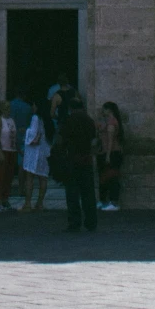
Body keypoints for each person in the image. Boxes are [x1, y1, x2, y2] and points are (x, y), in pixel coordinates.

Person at [55, 95, 98, 235]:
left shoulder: (69, 120)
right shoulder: (89, 121)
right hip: (86, 159)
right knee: (88, 193)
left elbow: (61, 140)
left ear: (70, 108)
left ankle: (74, 222)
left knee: (72, 193)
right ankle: (91, 222)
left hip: (72, 160)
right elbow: (93, 138)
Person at [96, 101, 125, 211]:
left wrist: (108, 155)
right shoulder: (108, 122)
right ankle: (104, 200)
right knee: (104, 177)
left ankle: (114, 202)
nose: (102, 111)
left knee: (112, 177)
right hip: (107, 152)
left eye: (104, 109)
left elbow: (110, 140)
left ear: (109, 110)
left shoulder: (112, 122)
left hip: (111, 153)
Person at [20, 105, 50, 212]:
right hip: (43, 151)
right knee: (43, 178)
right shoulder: (45, 119)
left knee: (29, 177)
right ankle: (40, 203)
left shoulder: (35, 118)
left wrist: (26, 131)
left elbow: (33, 134)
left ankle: (28, 204)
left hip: (34, 151)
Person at [0, 103, 17, 210]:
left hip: (11, 150)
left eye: (9, 108)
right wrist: (0, 151)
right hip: (2, 150)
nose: (9, 110)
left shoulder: (11, 120)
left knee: (9, 175)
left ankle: (5, 198)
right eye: (6, 108)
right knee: (1, 175)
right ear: (2, 109)